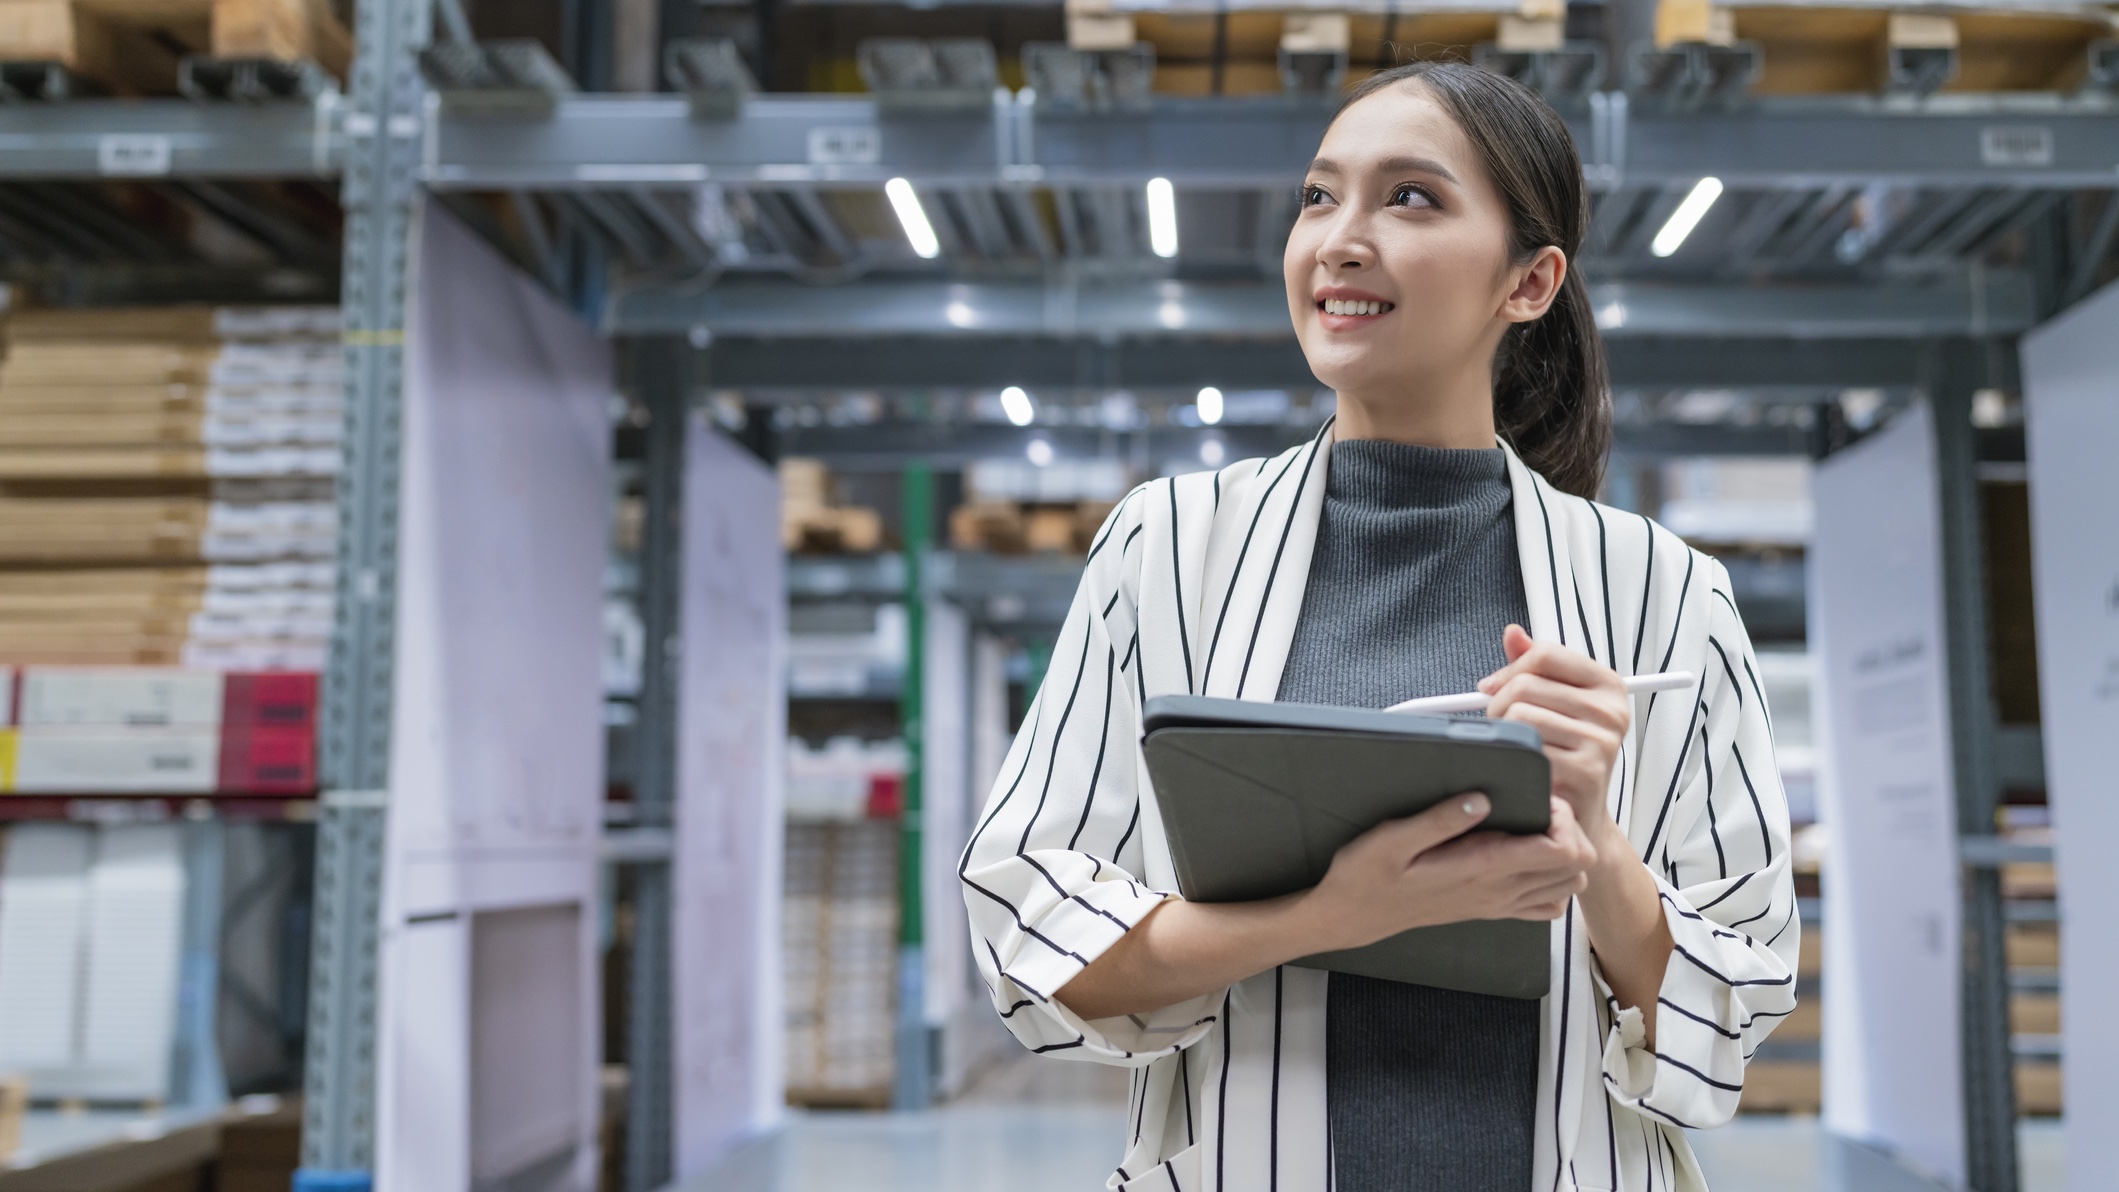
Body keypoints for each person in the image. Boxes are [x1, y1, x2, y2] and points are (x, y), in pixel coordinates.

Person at [960, 62, 1797, 1192]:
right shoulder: (1166, 551)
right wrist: (1332, 913)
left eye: (1410, 198)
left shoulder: (1662, 593)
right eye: (1319, 197)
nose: (1339, 241)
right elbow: (1030, 931)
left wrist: (1596, 844)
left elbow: (1734, 1007)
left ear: (1530, 281)